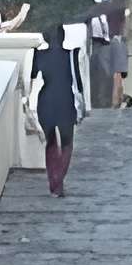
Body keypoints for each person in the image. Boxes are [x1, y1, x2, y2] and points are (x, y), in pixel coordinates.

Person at [30, 19, 82, 197]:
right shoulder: (71, 55)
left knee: (51, 143)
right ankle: (59, 180)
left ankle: (53, 181)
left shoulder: (39, 55)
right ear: (62, 36)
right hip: (65, 101)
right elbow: (78, 84)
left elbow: (31, 74)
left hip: (45, 101)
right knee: (67, 143)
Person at [88, 0, 131, 110]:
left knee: (109, 72)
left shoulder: (99, 11)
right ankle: (116, 100)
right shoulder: (120, 9)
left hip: (106, 42)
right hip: (117, 39)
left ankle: (112, 101)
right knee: (117, 73)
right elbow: (124, 24)